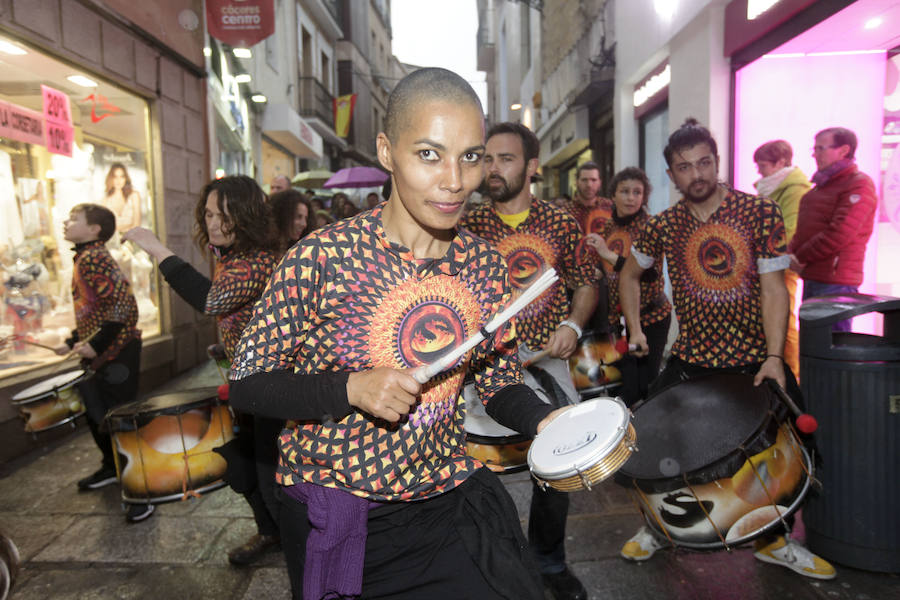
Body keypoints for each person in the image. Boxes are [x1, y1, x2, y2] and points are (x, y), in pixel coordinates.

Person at [228, 67, 569, 600]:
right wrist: (348, 388)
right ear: (387, 152)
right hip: (342, 512)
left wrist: (545, 419)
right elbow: (247, 383)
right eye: (429, 155)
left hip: (443, 495)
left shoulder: (483, 267)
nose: (454, 180)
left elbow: (499, 382)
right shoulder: (324, 257)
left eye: (471, 156)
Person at [617, 118, 835, 580]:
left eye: (704, 163)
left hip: (756, 357)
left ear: (717, 162)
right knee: (657, 443)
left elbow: (776, 289)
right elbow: (629, 274)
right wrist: (634, 327)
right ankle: (658, 529)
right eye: (684, 167)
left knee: (795, 442)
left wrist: (775, 357)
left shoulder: (759, 213)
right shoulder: (663, 226)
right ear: (671, 175)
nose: (696, 174)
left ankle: (774, 542)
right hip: (693, 358)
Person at [461, 122, 598, 600]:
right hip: (480, 370)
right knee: (472, 467)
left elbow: (586, 281)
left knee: (557, 467)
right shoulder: (467, 225)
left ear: (532, 167)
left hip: (547, 362)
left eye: (505, 159)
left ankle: (548, 562)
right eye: (487, 159)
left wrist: (573, 327)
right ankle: (486, 563)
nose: (493, 169)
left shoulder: (560, 223)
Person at [122, 176, 281, 565]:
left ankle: (295, 548)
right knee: (244, 468)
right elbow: (239, 314)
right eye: (208, 213)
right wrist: (225, 347)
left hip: (272, 388)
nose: (213, 222)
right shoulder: (234, 259)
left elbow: (213, 300)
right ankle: (270, 532)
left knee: (266, 474)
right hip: (246, 383)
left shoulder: (255, 261)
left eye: (223, 214)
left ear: (245, 216)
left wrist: (158, 249)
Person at [54, 204, 145, 522]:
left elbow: (123, 306)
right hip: (104, 352)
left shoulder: (94, 257)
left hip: (118, 353)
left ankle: (141, 492)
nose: (66, 222)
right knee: (97, 415)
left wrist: (95, 344)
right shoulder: (84, 256)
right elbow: (96, 308)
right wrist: (73, 339)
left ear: (94, 230)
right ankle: (112, 468)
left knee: (120, 421)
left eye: (74, 219)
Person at [584, 167, 671, 405]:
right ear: (613, 195)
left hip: (651, 318)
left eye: (637, 192)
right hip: (615, 323)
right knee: (618, 386)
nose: (631, 198)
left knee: (645, 387)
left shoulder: (651, 227)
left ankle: (646, 435)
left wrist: (606, 253)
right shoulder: (609, 227)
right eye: (625, 192)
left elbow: (650, 274)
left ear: (644, 197)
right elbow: (601, 270)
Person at [788, 127, 877, 332]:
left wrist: (799, 256)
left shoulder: (859, 185)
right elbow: (806, 229)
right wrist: (789, 253)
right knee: (813, 345)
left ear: (844, 150)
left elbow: (840, 233)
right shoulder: (821, 187)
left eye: (821, 148)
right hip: (813, 276)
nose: (814, 154)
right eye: (815, 148)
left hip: (836, 283)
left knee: (832, 347)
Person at [753, 140, 811, 377]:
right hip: (766, 265)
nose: (759, 172)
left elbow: (789, 231)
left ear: (781, 162)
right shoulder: (773, 188)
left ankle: (792, 378)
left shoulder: (794, 190)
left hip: (780, 266)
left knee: (783, 323)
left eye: (763, 165)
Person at [270, 189, 313, 255]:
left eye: (306, 218)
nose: (304, 224)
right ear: (283, 215)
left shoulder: (298, 252)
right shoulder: (264, 254)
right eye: (298, 217)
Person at [103, 163, 142, 231]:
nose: (118, 180)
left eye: (122, 176)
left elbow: (137, 225)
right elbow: (106, 228)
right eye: (115, 177)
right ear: (111, 179)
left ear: (126, 179)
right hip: (113, 240)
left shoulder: (134, 196)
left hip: (132, 238)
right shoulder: (105, 201)